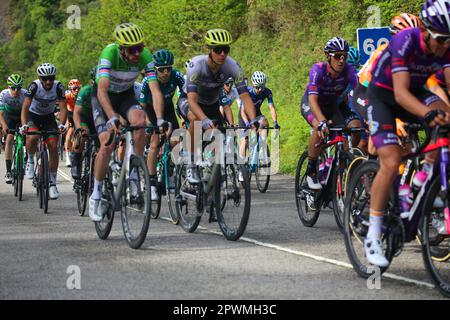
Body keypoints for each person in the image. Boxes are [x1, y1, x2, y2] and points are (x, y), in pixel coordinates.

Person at [361, 0, 450, 267]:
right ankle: (374, 233)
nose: (445, 46)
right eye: (441, 39)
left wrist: (440, 113)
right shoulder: (404, 41)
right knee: (390, 160)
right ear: (425, 31)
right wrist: (427, 115)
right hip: (383, 97)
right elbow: (400, 93)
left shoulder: (445, 47)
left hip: (416, 93)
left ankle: (422, 180)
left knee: (446, 117)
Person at [89, 22, 165, 222]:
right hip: (103, 98)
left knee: (140, 120)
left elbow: (155, 91)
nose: (138, 53)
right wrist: (112, 116)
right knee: (107, 143)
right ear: (122, 49)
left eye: (140, 47)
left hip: (125, 96)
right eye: (133, 49)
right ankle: (96, 194)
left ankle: (132, 173)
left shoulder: (145, 56)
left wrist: (159, 119)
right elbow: (102, 90)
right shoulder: (109, 54)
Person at [184, 28, 258, 184]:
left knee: (218, 138)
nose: (223, 54)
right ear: (209, 50)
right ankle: (190, 163)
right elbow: (191, 100)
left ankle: (211, 186)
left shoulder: (232, 67)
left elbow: (245, 97)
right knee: (195, 120)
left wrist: (253, 120)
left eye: (226, 49)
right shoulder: (196, 65)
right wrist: (204, 119)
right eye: (218, 50)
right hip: (192, 102)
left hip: (212, 103)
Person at [300, 37, 361, 190]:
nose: (341, 60)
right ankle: (311, 169)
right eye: (337, 56)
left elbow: (361, 94)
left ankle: (344, 160)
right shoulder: (318, 70)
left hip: (334, 106)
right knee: (318, 128)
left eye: (344, 56)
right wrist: (321, 121)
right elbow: (313, 99)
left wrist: (370, 116)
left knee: (356, 127)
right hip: (313, 104)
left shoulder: (349, 70)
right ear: (328, 56)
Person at [139, 49, 184, 200]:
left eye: (168, 69)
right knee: (155, 142)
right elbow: (143, 107)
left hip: (168, 108)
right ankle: (151, 183)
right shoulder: (147, 81)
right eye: (162, 70)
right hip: (150, 110)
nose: (166, 73)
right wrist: (149, 122)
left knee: (175, 141)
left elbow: (186, 96)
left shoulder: (176, 76)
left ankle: (170, 170)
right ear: (155, 69)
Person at [20, 63, 68, 199]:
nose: (48, 81)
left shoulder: (58, 87)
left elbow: (63, 108)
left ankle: (52, 183)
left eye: (51, 78)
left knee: (53, 146)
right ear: (39, 78)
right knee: (33, 136)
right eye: (45, 78)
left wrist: (62, 125)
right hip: (33, 116)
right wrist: (24, 125)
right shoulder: (34, 86)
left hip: (48, 118)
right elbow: (25, 107)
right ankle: (30, 160)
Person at [71, 68, 97, 180]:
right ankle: (76, 162)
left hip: (98, 118)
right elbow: (76, 113)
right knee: (83, 134)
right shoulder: (85, 91)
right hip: (84, 117)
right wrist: (78, 128)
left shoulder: (109, 91)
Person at [0, 74, 27, 183]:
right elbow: (0, 114)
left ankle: (26, 159)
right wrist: (4, 126)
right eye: (13, 88)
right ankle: (8, 171)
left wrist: (25, 125)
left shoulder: (25, 94)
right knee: (9, 139)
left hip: (21, 116)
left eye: (19, 88)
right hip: (9, 116)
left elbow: (28, 112)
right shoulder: (3, 94)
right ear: (8, 87)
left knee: (28, 137)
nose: (16, 91)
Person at [65, 79, 81, 167]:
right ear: (71, 89)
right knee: (68, 137)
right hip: (70, 115)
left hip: (78, 115)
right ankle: (67, 156)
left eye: (78, 88)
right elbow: (64, 108)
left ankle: (74, 153)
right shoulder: (67, 96)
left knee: (77, 138)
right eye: (74, 88)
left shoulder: (80, 96)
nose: (77, 90)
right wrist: (67, 121)